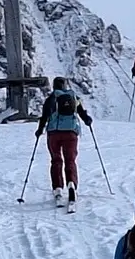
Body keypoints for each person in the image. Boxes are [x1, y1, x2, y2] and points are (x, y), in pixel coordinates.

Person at [36, 76, 92, 207]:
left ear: (54, 86)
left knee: (56, 160)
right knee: (70, 160)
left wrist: (39, 130)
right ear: (65, 86)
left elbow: (44, 116)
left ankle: (58, 189)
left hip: (54, 133)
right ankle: (71, 185)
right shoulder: (73, 97)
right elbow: (82, 113)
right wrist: (87, 120)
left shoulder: (51, 99)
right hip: (71, 133)